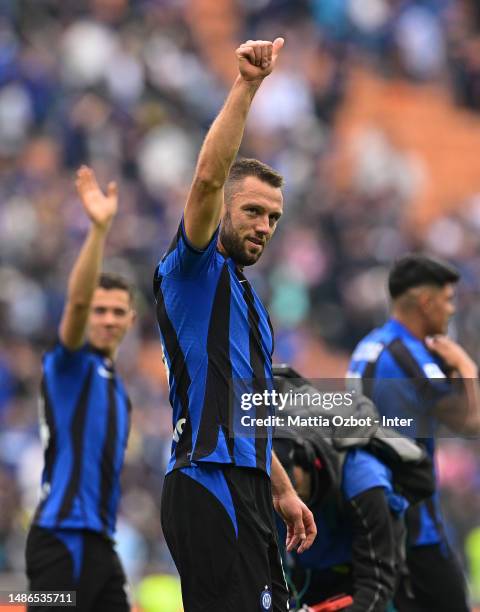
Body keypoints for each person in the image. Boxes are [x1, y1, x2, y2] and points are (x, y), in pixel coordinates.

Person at [154, 38, 316, 611]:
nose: (265, 225)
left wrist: (283, 488)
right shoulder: (192, 272)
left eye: (273, 216)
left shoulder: (251, 307)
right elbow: (205, 178)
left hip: (247, 488)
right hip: (207, 480)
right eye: (252, 210)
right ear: (221, 208)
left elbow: (248, 412)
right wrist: (247, 87)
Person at [25, 166, 136, 612]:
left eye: (117, 312)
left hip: (99, 545)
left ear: (131, 320)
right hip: (60, 540)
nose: (108, 319)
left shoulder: (117, 388)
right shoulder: (69, 365)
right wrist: (99, 230)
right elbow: (75, 303)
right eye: (100, 310)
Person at [348, 253, 480, 612]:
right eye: (448, 300)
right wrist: (466, 365)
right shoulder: (411, 357)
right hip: (414, 525)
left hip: (372, 516)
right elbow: (471, 421)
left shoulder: (367, 347)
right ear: (426, 301)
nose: (452, 310)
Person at [272, 365, 434, 612]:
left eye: (291, 482)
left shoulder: (362, 478)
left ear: (307, 460)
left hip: (367, 577)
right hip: (306, 576)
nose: (287, 494)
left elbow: (376, 584)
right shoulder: (272, 489)